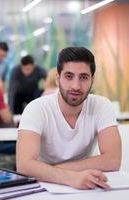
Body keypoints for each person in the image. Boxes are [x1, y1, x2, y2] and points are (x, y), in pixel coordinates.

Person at [16, 47, 122, 190]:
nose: (76, 86)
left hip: (87, 185)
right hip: (44, 187)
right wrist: (70, 177)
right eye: (69, 76)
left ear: (92, 79)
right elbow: (24, 166)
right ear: (58, 78)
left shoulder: (101, 105)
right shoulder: (36, 108)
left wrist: (59, 169)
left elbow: (113, 160)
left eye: (84, 77)